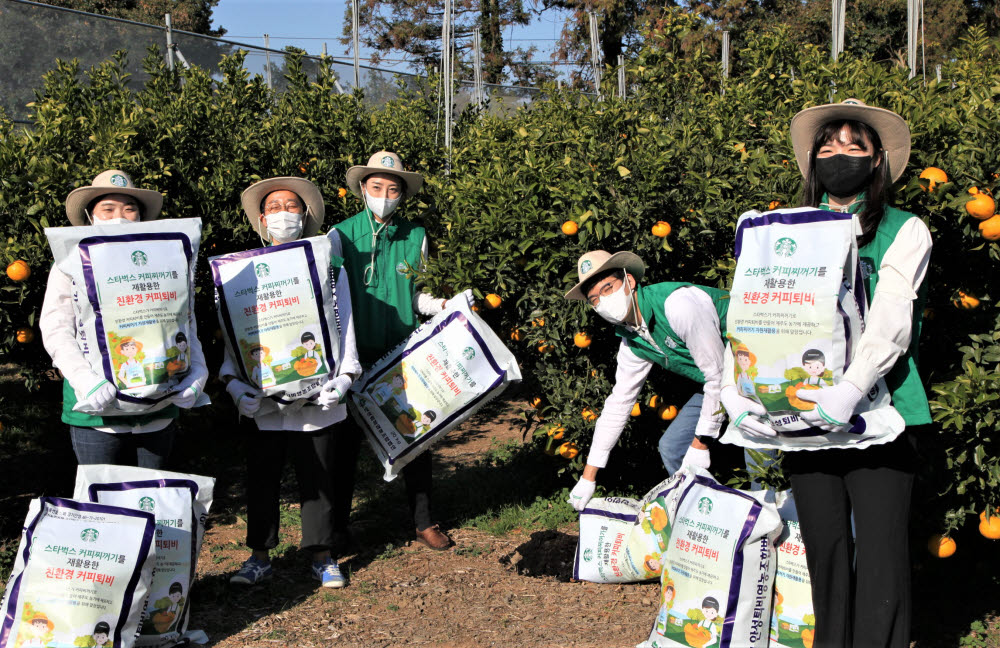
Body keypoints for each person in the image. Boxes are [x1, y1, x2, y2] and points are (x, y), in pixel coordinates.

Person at [725, 98, 930, 647]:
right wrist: (739, 389)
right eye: (828, 144)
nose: (839, 153)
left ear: (877, 160)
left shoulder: (903, 230)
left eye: (854, 145)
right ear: (813, 159)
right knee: (825, 547)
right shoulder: (781, 231)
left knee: (883, 554)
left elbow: (892, 317)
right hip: (801, 415)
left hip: (879, 411)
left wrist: (851, 388)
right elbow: (752, 313)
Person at [222, 176, 361, 589]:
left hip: (319, 391)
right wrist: (233, 383)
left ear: (305, 216)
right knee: (262, 474)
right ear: (262, 220)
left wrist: (346, 376)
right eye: (275, 207)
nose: (284, 213)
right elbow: (234, 332)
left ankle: (321, 554)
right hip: (263, 397)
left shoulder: (329, 268)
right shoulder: (239, 272)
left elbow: (346, 323)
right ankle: (259, 555)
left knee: (319, 476)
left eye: (292, 205)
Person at [330, 151, 469, 552]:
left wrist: (443, 305)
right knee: (343, 447)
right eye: (377, 187)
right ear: (362, 189)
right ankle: (337, 527)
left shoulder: (416, 236)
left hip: (400, 353)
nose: (385, 195)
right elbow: (332, 301)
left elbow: (418, 294)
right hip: (352, 357)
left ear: (403, 194)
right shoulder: (340, 235)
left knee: (415, 438)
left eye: (393, 189)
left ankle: (424, 521)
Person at [40, 170, 208, 469]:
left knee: (153, 499)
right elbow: (55, 328)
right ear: (91, 218)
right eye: (108, 209)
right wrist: (85, 381)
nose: (120, 216)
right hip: (97, 413)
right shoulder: (71, 263)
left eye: (130, 209)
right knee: (104, 507)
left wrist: (197, 371)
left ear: (141, 218)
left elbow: (184, 322)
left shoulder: (165, 263)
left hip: (159, 407)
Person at [562, 250, 730, 512]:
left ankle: (770, 527)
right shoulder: (633, 340)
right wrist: (588, 477)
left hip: (754, 368)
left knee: (758, 450)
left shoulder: (677, 305)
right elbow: (619, 403)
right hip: (716, 383)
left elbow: (719, 374)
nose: (603, 302)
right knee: (673, 448)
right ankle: (708, 518)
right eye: (594, 300)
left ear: (629, 282)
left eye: (608, 288)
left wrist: (701, 442)